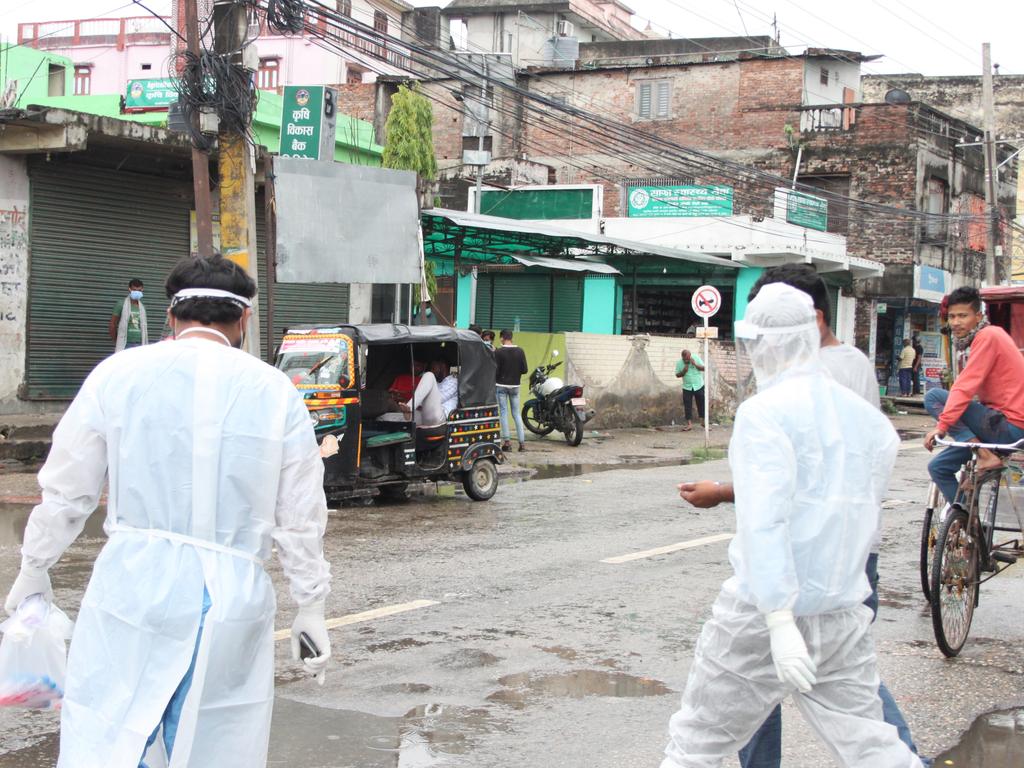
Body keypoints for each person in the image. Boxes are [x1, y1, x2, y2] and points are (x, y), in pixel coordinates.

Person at [4, 255, 332, 768]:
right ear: (243, 319)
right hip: (229, 596)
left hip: (134, 586)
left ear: (171, 315)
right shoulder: (275, 390)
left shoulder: (118, 374)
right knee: (212, 740)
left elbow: (69, 491)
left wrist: (34, 567)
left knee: (112, 733)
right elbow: (300, 513)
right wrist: (310, 605)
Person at [661, 283, 919, 768]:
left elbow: (765, 521)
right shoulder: (869, 423)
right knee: (871, 743)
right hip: (841, 611)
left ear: (760, 343)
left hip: (762, 615)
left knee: (699, 742)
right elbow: (852, 520)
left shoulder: (764, 414)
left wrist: (779, 620)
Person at [923, 286, 1024, 506]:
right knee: (938, 467)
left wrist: (942, 426)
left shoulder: (988, 335)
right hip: (996, 424)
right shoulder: (980, 338)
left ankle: (985, 456)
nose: (956, 322)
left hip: (1011, 426)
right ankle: (970, 524)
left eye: (963, 315)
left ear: (978, 316)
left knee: (934, 397)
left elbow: (965, 385)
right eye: (952, 317)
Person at [495, 329, 528, 452]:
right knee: (516, 414)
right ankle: (522, 444)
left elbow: (495, 370)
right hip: (515, 386)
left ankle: (507, 443)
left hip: (501, 386)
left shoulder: (498, 352)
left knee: (503, 413)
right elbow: (525, 369)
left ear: (503, 338)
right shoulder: (520, 351)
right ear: (511, 337)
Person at [109, 277, 148, 352]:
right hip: (126, 344)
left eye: (139, 290)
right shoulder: (121, 304)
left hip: (140, 344)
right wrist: (118, 341)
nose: (137, 292)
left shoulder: (142, 307)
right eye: (134, 290)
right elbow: (113, 324)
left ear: (142, 290)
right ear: (129, 289)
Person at [675, 348, 705, 431]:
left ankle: (703, 422)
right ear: (682, 357)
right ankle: (689, 424)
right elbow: (677, 375)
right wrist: (684, 371)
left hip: (699, 385)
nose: (686, 360)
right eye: (685, 359)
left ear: (690, 356)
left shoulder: (696, 358)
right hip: (687, 387)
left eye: (688, 358)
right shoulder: (679, 363)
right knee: (687, 405)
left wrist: (695, 364)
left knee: (701, 403)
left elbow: (704, 368)